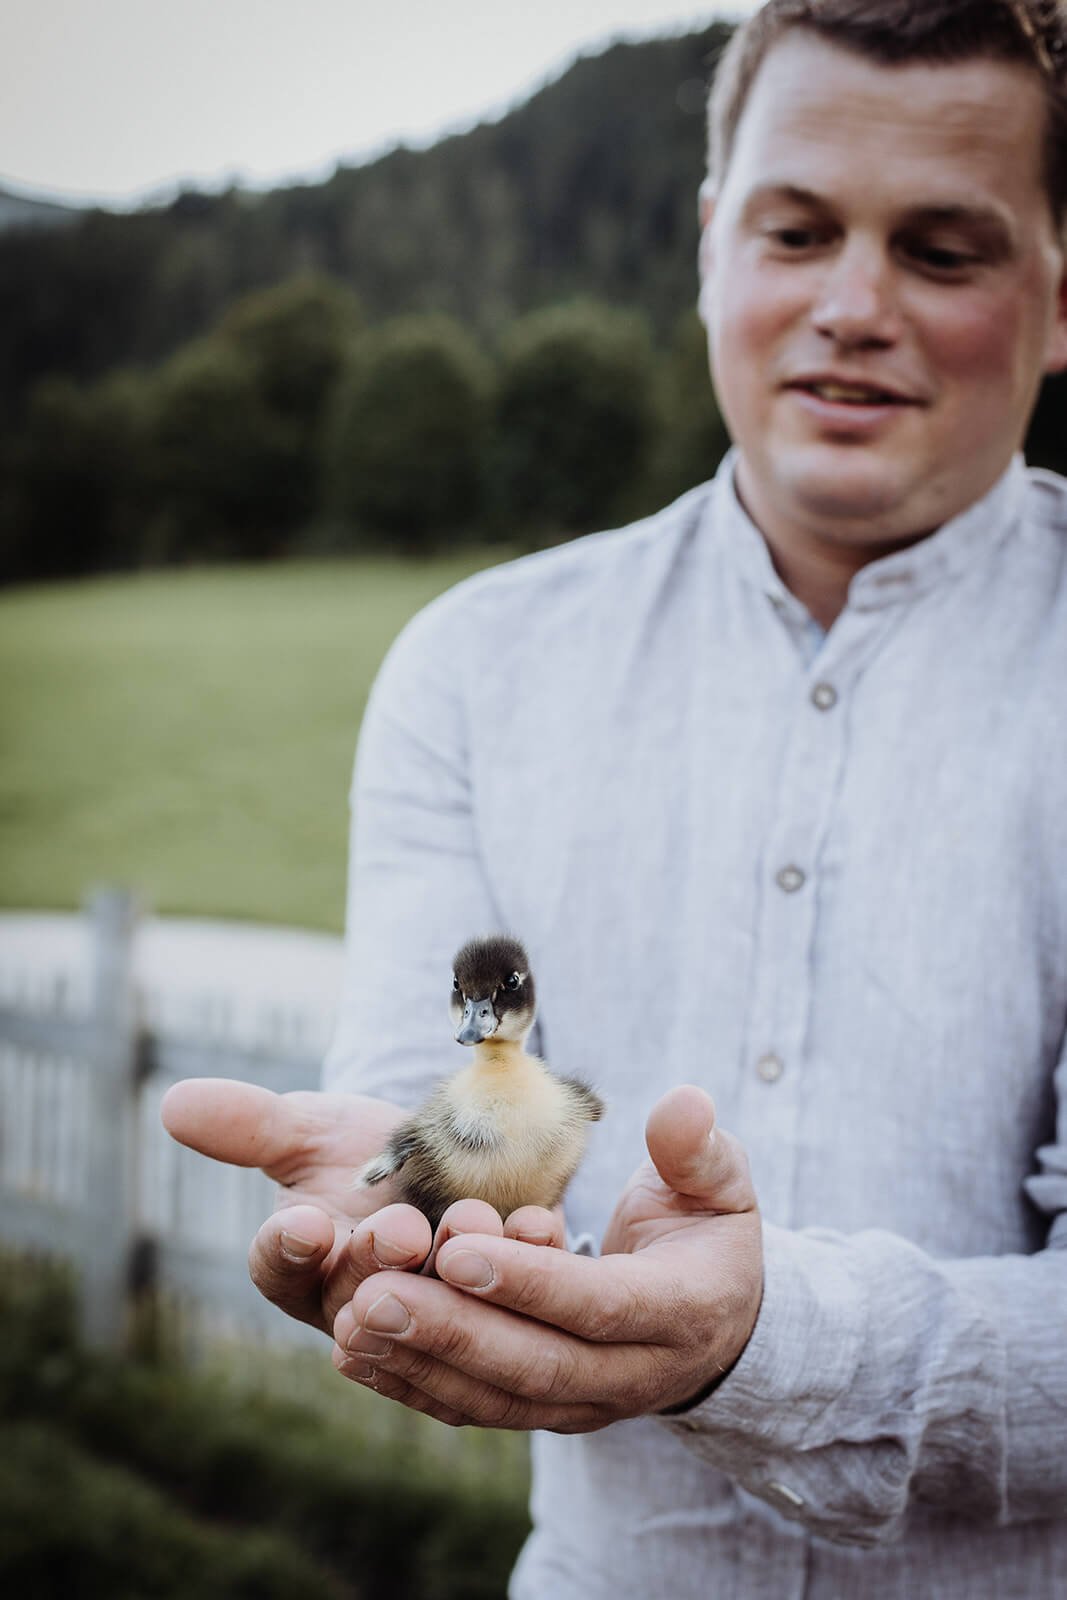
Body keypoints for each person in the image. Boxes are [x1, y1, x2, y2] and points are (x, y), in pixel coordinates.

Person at [162, 1, 1067, 1593]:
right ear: (714, 245)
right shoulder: (475, 667)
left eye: (943, 250)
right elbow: (424, 1113)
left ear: (1062, 293)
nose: (853, 305)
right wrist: (409, 1199)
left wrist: (762, 1336)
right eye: (798, 230)